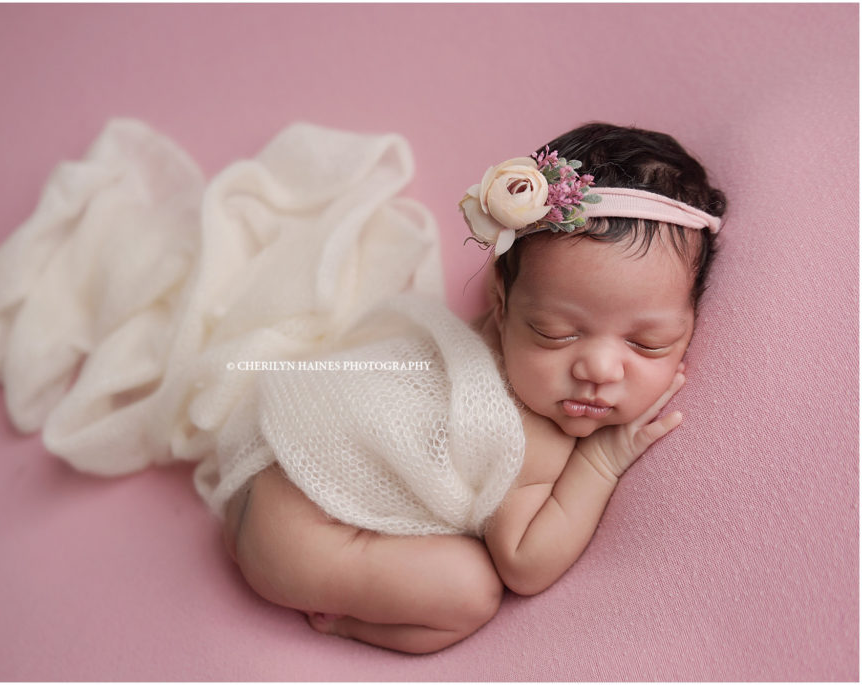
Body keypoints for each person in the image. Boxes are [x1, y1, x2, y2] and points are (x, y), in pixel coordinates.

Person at [221, 123, 726, 654]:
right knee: (471, 589)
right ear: (502, 306)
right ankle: (343, 622)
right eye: (554, 333)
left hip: (272, 470)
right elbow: (524, 565)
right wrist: (601, 462)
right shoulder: (527, 437)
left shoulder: (519, 341)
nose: (599, 368)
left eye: (648, 343)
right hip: (295, 537)